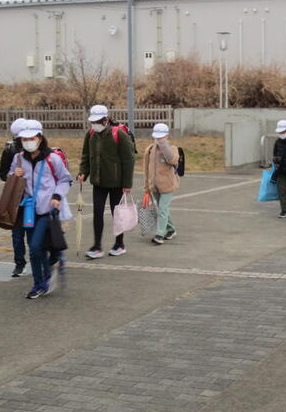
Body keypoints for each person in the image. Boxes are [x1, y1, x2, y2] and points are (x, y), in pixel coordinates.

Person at [9, 120, 72, 298]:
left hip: (48, 210)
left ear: (40, 138)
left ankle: (43, 278)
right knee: (35, 248)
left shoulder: (53, 158)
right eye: (24, 139)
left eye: (32, 138)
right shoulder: (19, 158)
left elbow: (65, 179)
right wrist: (15, 174)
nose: (28, 142)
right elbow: (9, 177)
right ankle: (39, 283)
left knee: (36, 246)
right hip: (28, 210)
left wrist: (57, 196)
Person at [78, 105, 135, 259]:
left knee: (117, 214)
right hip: (98, 182)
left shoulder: (119, 134)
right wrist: (83, 172)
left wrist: (127, 184)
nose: (95, 124)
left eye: (98, 121)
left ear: (106, 120)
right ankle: (97, 246)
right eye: (93, 121)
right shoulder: (90, 134)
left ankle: (119, 244)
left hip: (116, 183)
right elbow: (86, 156)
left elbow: (128, 159)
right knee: (97, 213)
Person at [0, 117, 29, 277]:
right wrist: (14, 176)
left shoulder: (38, 149)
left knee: (31, 232)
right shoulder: (10, 149)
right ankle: (19, 263)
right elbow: (3, 173)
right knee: (17, 233)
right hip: (16, 197)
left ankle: (37, 260)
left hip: (31, 198)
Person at [143, 123, 180, 245]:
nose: (158, 139)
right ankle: (171, 229)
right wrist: (146, 187)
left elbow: (172, 160)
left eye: (161, 136)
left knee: (163, 209)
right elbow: (146, 169)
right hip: (154, 186)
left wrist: (164, 146)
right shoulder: (149, 150)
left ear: (167, 136)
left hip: (168, 186)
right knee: (162, 209)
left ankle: (159, 234)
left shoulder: (172, 149)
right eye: (157, 137)